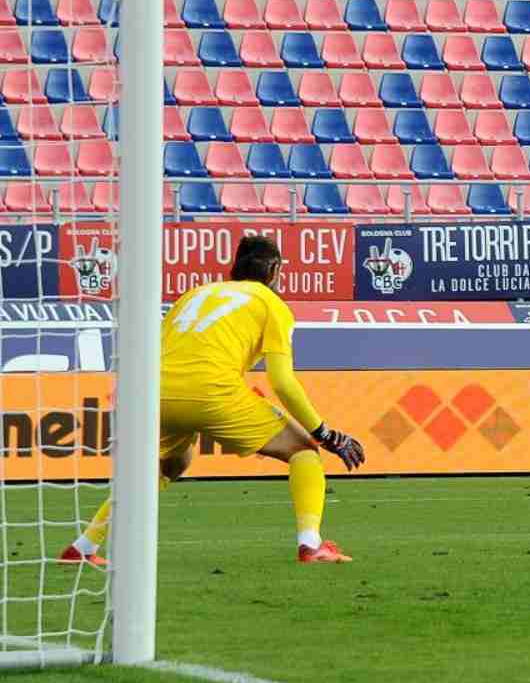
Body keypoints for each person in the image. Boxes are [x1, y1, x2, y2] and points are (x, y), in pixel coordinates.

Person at [60, 235, 365, 565]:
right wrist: (325, 433)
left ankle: (83, 546)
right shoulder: (271, 303)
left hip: (154, 391)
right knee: (303, 450)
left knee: (169, 464)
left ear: (233, 268)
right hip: (212, 392)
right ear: (275, 270)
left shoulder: (194, 295)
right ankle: (311, 545)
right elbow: (283, 382)